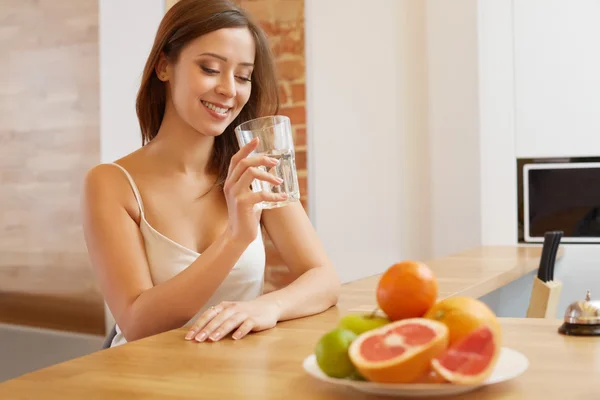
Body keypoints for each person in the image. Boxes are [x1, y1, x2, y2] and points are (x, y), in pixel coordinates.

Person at [81, 0, 340, 347]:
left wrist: (268, 307)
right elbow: (137, 323)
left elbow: (324, 278)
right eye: (210, 68)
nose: (229, 89)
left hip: (236, 377)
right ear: (163, 67)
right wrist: (235, 238)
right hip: (144, 380)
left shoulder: (255, 168)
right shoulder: (111, 184)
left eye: (243, 76)